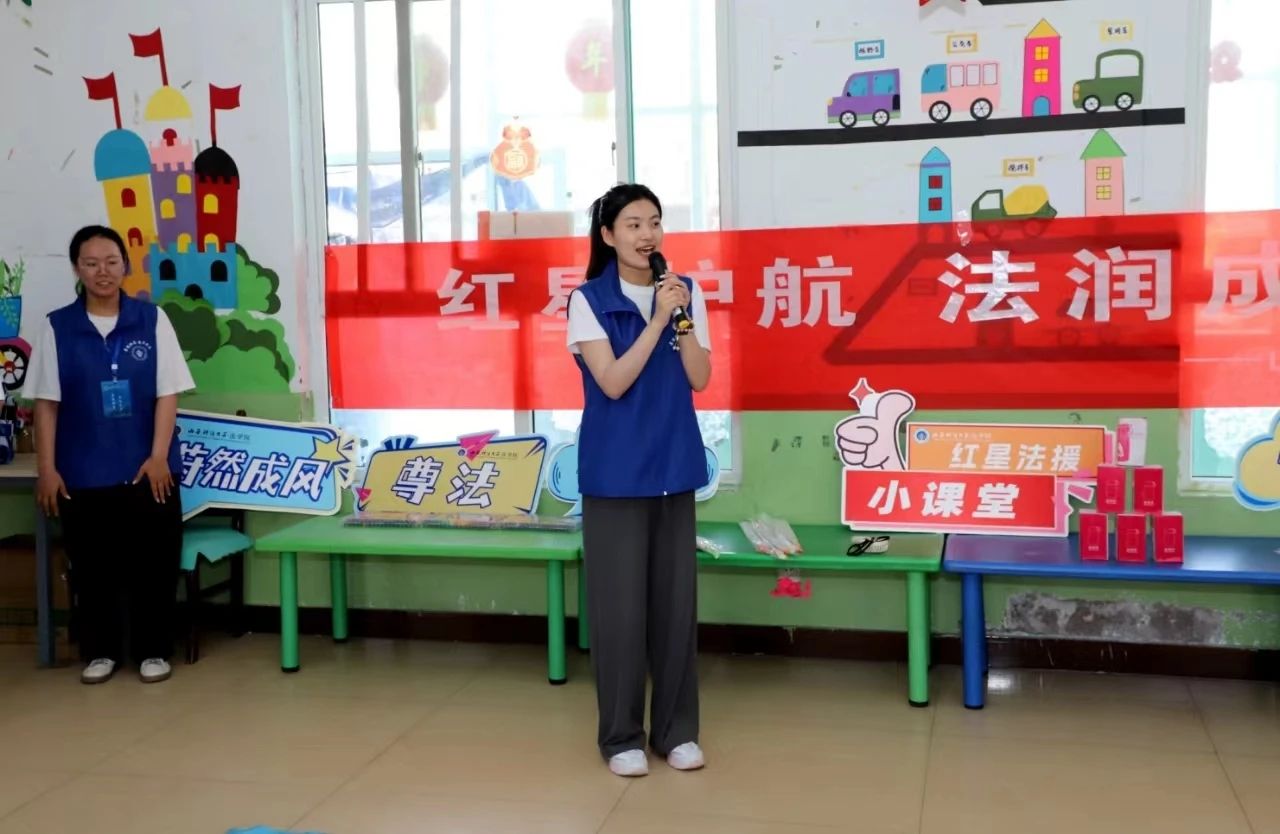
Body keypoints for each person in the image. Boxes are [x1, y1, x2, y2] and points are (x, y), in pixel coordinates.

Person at [567, 183, 713, 777]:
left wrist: (680, 319)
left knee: (675, 611)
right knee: (620, 613)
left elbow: (700, 377)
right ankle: (621, 737)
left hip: (674, 466)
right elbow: (612, 382)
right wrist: (655, 322)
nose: (646, 234)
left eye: (654, 222)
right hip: (615, 475)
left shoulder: (685, 292)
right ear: (608, 235)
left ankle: (676, 732)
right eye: (632, 224)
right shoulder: (588, 301)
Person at [28, 225, 195, 685]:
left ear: (125, 265)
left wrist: (158, 456)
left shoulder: (152, 320)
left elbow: (167, 393)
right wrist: (47, 469)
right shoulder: (57, 327)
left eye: (111, 261)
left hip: (148, 469)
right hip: (82, 472)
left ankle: (153, 651)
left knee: (154, 565)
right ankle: (99, 652)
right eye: (91, 263)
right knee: (92, 567)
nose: (102, 271)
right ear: (77, 269)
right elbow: (46, 404)